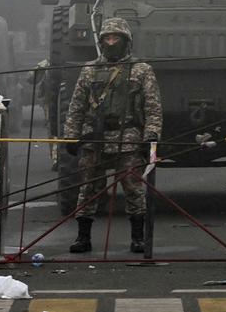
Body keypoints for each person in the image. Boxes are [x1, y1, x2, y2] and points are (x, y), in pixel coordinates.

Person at [63, 18, 162, 254]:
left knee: (133, 188)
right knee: (88, 189)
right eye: (107, 38)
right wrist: (71, 136)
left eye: (115, 38)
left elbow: (153, 106)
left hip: (127, 138)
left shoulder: (141, 70)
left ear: (125, 41)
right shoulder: (90, 70)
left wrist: (151, 135)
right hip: (94, 138)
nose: (111, 42)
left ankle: (138, 238)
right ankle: (83, 237)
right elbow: (76, 106)